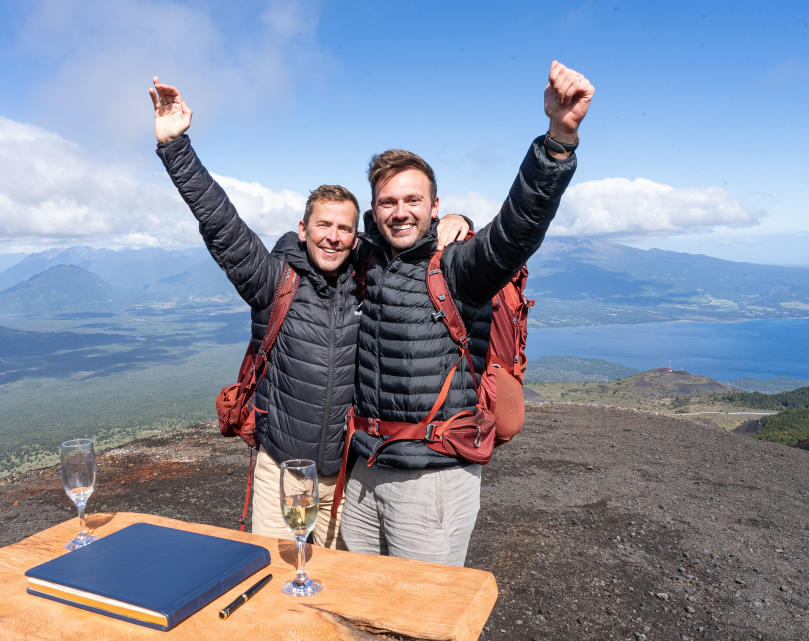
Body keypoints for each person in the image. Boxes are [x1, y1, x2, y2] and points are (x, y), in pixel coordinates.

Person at [149, 78, 468, 548]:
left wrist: (456, 222)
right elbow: (221, 225)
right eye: (323, 225)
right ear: (303, 229)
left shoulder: (371, 279)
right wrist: (176, 146)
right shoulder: (274, 280)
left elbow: (410, 236)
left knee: (335, 591)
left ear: (356, 235)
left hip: (348, 478)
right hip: (283, 469)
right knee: (279, 585)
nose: (333, 237)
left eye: (344, 228)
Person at [340, 60, 595, 566]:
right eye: (388, 202)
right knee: (362, 613)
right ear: (373, 213)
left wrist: (558, 140)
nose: (400, 210)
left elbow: (518, 228)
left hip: (433, 479)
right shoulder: (363, 261)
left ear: (436, 207)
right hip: (363, 474)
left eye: (414, 199)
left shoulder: (458, 268)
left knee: (428, 617)